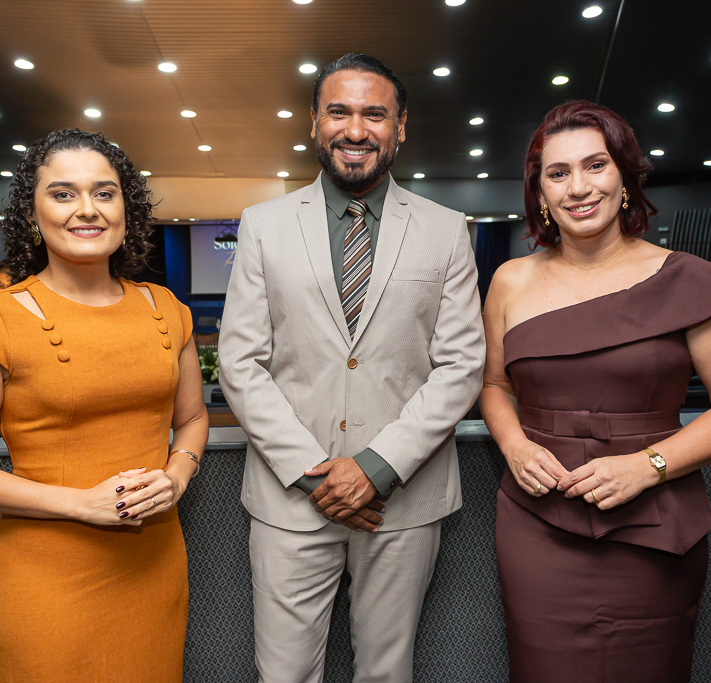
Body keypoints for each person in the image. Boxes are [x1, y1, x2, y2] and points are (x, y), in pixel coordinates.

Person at [219, 53, 485, 683]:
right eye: (338, 112)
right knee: (283, 674)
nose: (356, 130)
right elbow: (241, 362)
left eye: (375, 114)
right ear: (314, 122)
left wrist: (375, 468)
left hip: (403, 499)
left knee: (387, 673)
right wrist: (316, 477)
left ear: (400, 127)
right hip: (291, 499)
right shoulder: (263, 226)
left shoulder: (447, 231)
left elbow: (460, 366)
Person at [480, 100, 711, 682]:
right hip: (538, 523)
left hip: (653, 523)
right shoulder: (510, 280)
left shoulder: (689, 280)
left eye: (596, 165)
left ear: (625, 178)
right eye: (558, 173)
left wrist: (647, 466)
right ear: (540, 193)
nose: (578, 187)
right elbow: (494, 385)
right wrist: (514, 446)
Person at [0, 128, 207, 682]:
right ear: (32, 214)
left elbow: (193, 419)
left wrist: (177, 477)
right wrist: (82, 504)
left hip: (155, 566)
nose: (88, 209)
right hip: (47, 579)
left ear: (126, 209)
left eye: (105, 193)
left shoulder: (166, 309)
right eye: (62, 193)